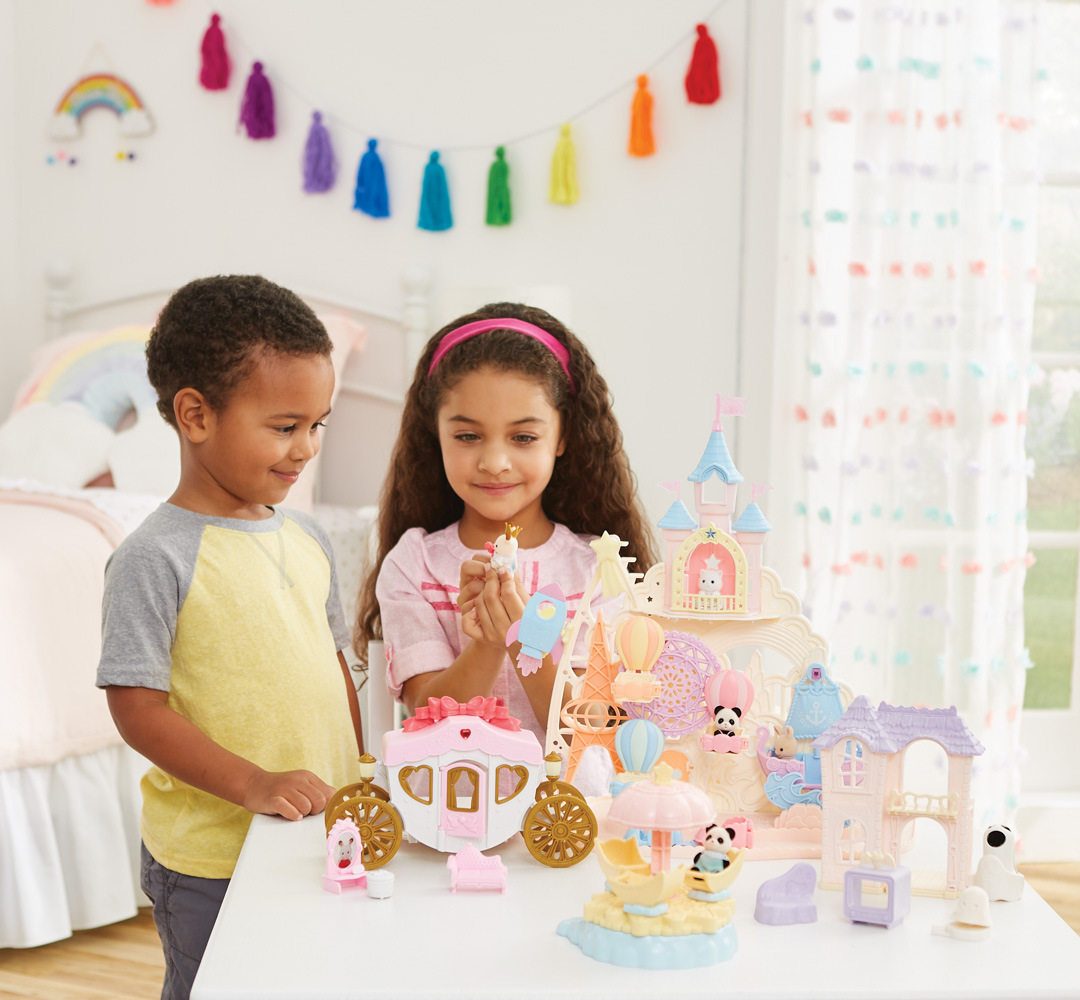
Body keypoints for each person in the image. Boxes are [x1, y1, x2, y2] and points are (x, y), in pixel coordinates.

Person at [97, 275, 363, 1000]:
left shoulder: (308, 536)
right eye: (284, 426)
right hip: (214, 861)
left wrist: (360, 769)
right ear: (196, 415)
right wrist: (253, 784)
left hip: (317, 831)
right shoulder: (154, 557)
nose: (306, 448)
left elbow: (332, 665)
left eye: (318, 424)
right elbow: (136, 709)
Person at [355, 302, 659, 743]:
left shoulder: (599, 570)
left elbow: (589, 732)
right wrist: (487, 643)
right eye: (467, 436)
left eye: (523, 437)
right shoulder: (414, 564)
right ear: (436, 434)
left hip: (564, 789)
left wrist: (524, 639)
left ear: (562, 436)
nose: (495, 462)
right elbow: (427, 718)